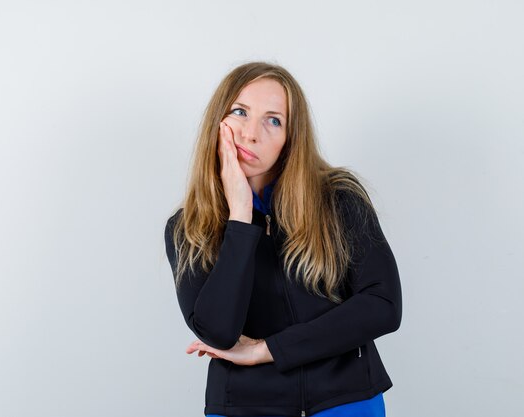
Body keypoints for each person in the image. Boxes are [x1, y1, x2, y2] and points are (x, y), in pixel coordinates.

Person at [164, 61, 402, 417]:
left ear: (291, 139)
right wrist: (241, 218)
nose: (251, 133)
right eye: (240, 112)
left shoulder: (339, 200)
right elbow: (218, 332)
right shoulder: (187, 229)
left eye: (273, 120)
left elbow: (383, 306)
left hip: (346, 400)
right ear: (218, 121)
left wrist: (268, 349)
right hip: (243, 407)